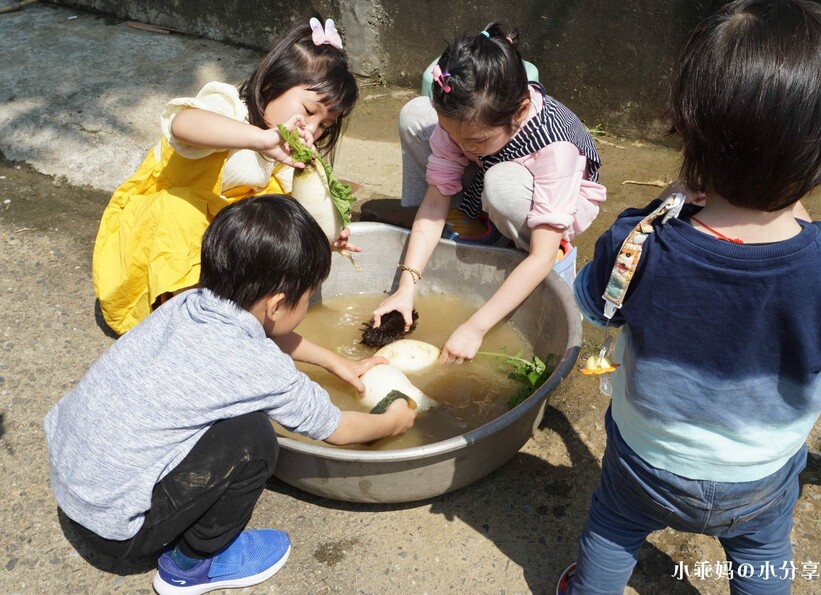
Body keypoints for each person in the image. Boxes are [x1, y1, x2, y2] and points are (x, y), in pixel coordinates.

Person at [559, 1, 821, 593]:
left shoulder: (640, 239)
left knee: (612, 527)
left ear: (686, 128)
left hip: (647, 460)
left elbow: (593, 305)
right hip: (760, 474)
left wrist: (656, 209)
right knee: (765, 551)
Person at [45, 195, 416, 594]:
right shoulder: (255, 365)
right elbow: (337, 429)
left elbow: (268, 332)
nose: (307, 305)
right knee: (252, 436)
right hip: (120, 528)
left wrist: (335, 362)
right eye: (308, 298)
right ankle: (194, 564)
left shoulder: (189, 302)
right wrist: (393, 419)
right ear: (277, 304)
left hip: (76, 484)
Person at [93, 17, 359, 335]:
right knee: (181, 210)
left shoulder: (288, 159)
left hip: (218, 249)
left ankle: (225, 325)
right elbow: (182, 123)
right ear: (273, 84)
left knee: (275, 226)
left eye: (324, 126)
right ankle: (186, 331)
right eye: (308, 111)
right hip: (159, 243)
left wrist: (324, 235)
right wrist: (258, 138)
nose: (312, 130)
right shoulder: (227, 108)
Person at [373, 22, 606, 364]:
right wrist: (406, 287)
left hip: (541, 202)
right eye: (455, 136)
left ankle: (511, 238)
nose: (463, 146)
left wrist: (475, 326)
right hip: (490, 169)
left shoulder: (556, 147)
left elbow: (542, 257)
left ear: (521, 111)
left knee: (502, 185)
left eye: (476, 139)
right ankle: (475, 218)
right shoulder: (465, 124)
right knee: (415, 114)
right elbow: (435, 200)